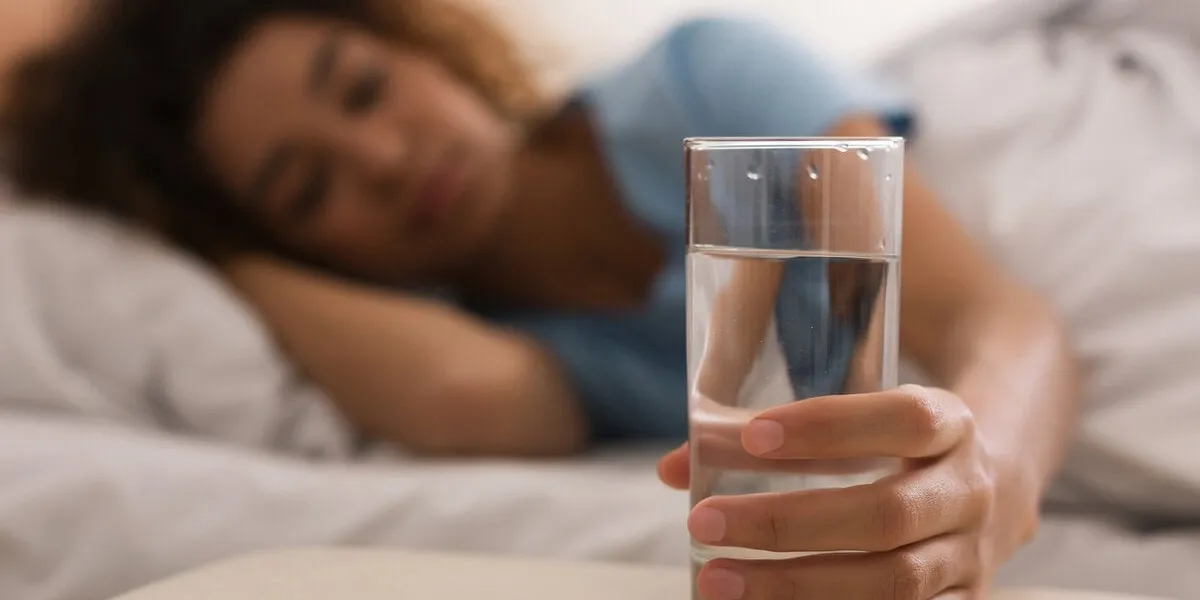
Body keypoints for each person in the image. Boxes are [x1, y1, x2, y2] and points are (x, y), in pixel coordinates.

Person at [0, 0, 1078, 597]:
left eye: (365, 87)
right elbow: (467, 395)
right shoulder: (480, 333)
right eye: (308, 185)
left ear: (421, 40)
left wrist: (987, 472)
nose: (379, 157)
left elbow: (997, 319)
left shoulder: (700, 79)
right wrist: (211, 241)